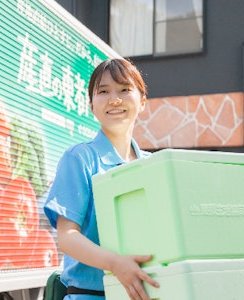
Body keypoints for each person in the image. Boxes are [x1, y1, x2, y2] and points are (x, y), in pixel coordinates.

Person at [44, 58, 160, 300]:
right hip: (90, 295)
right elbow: (67, 237)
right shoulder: (79, 158)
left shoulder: (154, 165)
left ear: (142, 102)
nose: (114, 99)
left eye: (124, 90)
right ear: (91, 106)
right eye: (103, 91)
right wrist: (116, 264)